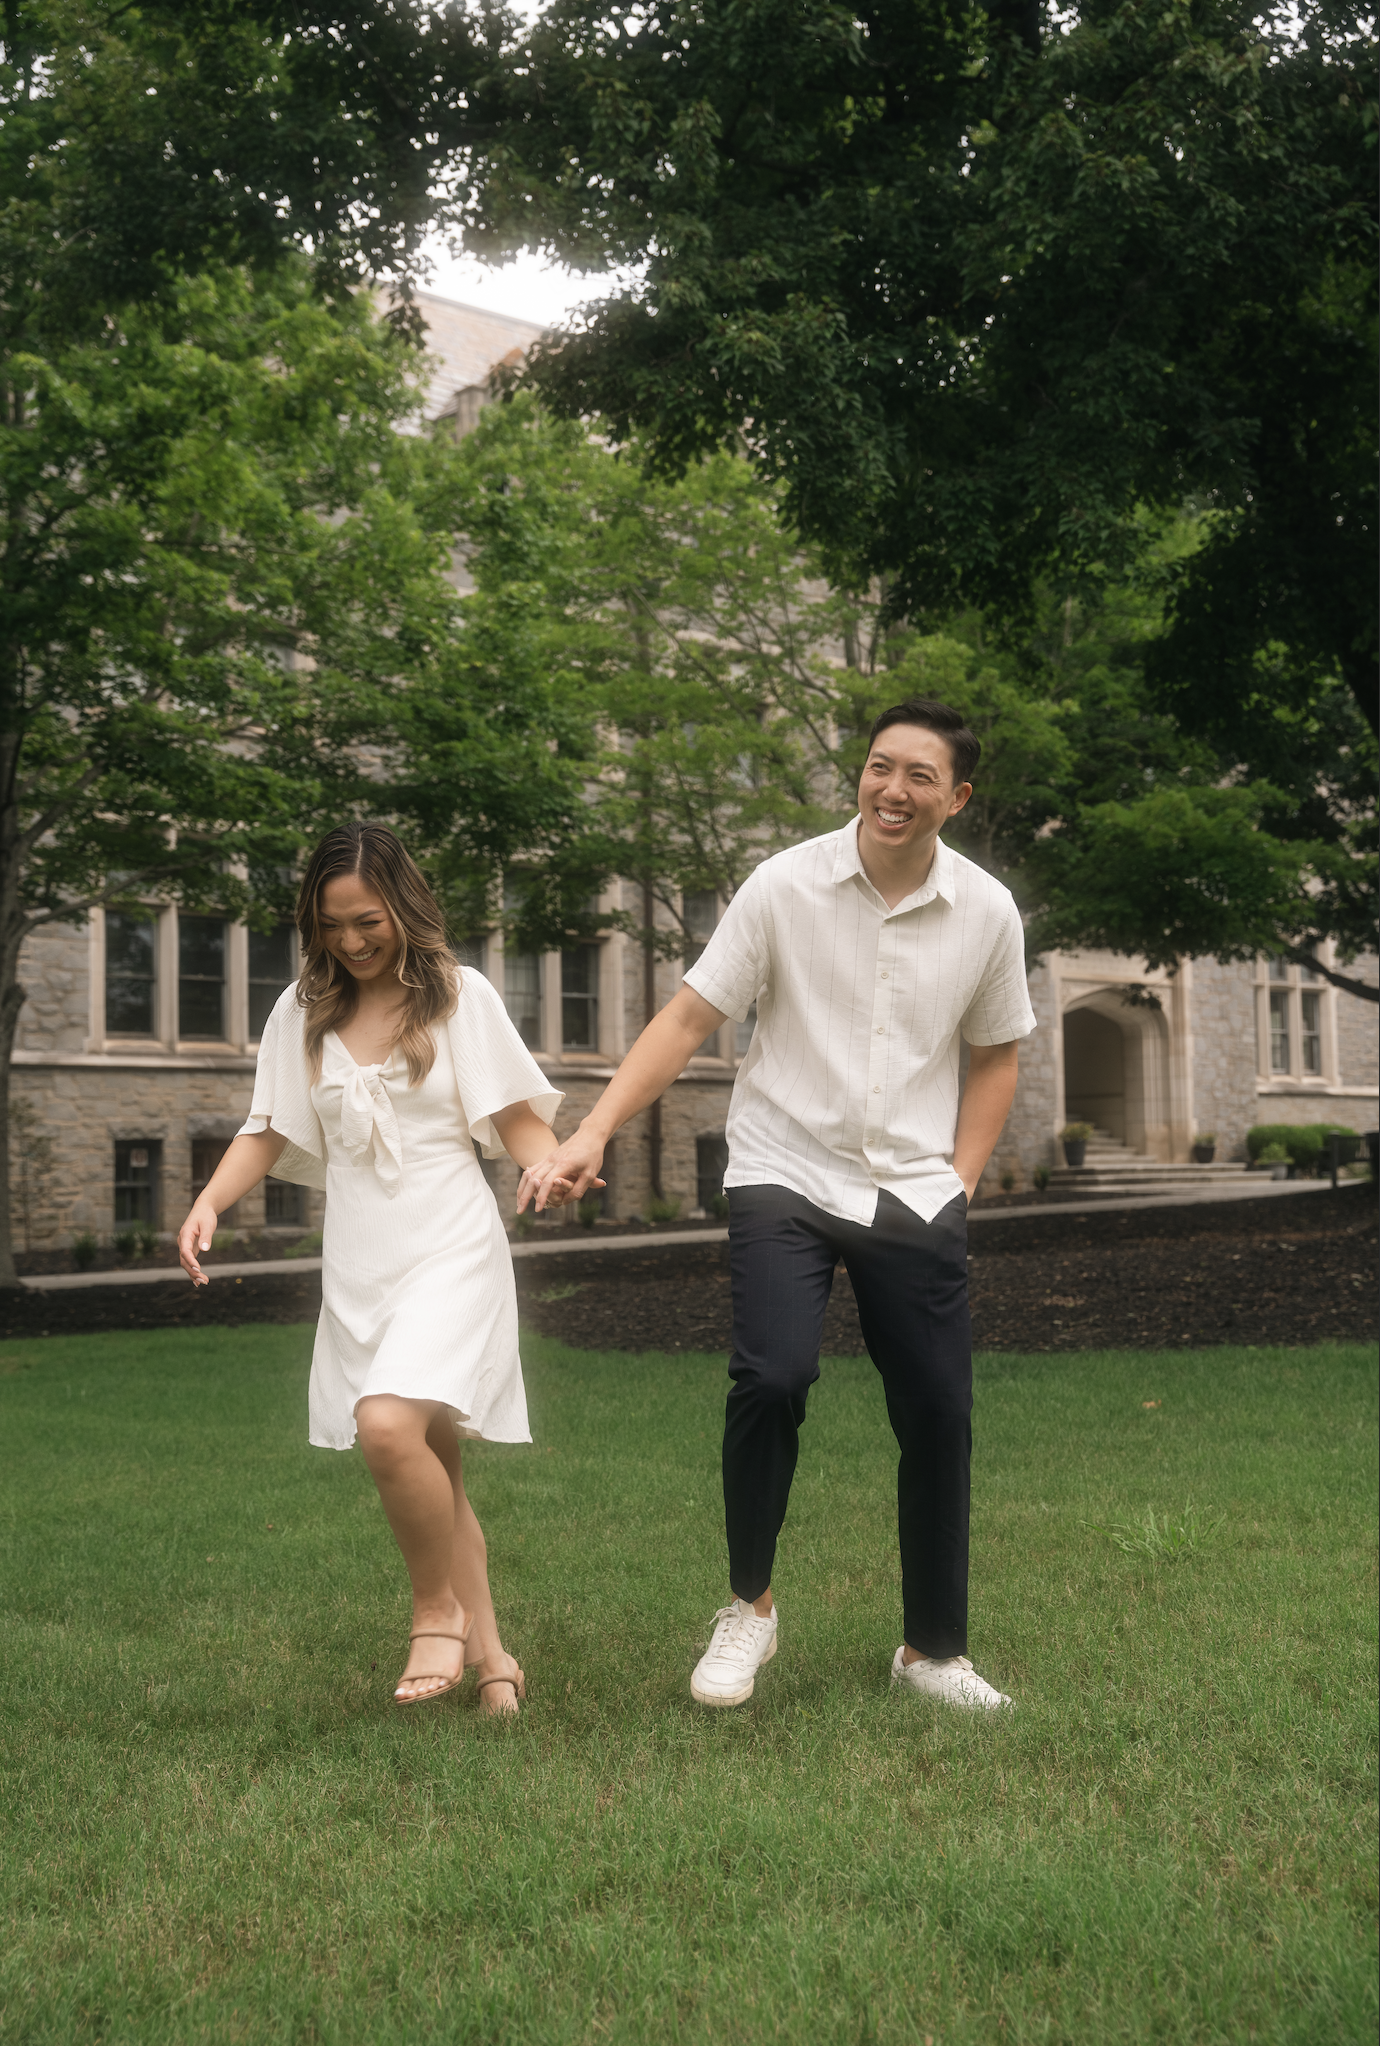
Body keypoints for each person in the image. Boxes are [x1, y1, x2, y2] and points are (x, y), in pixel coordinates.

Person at [519, 697, 1035, 1712]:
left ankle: (932, 1653)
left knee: (938, 1412)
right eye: (880, 767)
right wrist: (591, 1130)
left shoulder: (986, 911)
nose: (893, 789)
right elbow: (687, 1017)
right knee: (774, 1375)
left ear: (957, 798)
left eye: (919, 776)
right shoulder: (785, 884)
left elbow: (997, 1055)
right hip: (783, 1169)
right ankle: (747, 1610)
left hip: (912, 1186)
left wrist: (960, 1186)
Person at [178, 823, 579, 1714]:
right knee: (433, 1462)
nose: (351, 941)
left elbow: (518, 1122)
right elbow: (269, 1127)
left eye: (367, 920)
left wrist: (549, 1164)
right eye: (331, 925)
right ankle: (496, 1662)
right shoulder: (301, 1011)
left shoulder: (460, 996)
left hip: (452, 1245)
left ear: (402, 906)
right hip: (361, 1257)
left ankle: (433, 1610)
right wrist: (210, 1201)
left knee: (387, 1426)